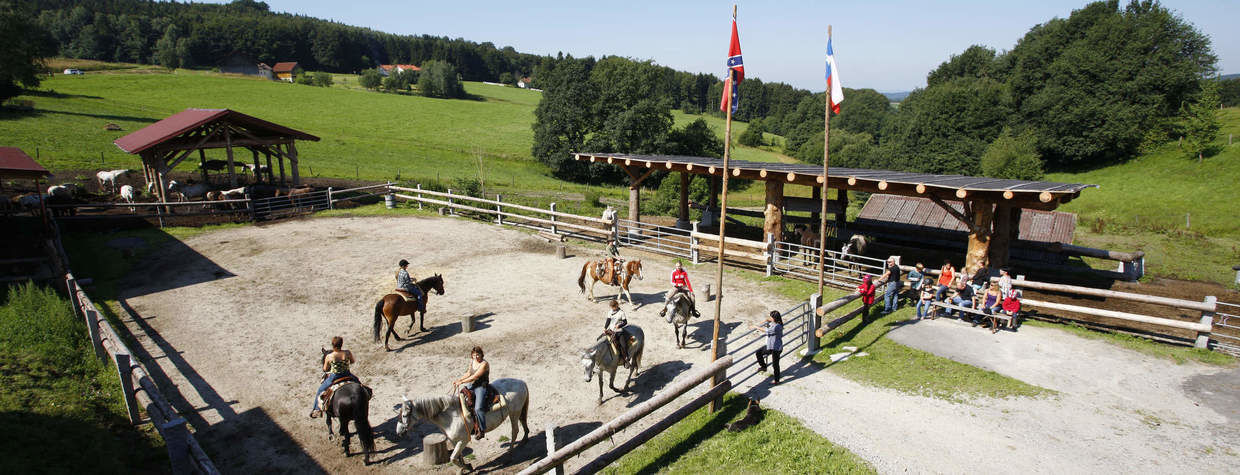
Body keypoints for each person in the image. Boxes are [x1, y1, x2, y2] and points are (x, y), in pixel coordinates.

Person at [311, 336, 356, 418]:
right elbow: (352, 361)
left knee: (320, 389)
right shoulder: (347, 352)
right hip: (347, 374)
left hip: (335, 376)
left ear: (333, 345)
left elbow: (325, 369)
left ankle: (317, 409)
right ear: (341, 344)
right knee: (358, 383)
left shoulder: (329, 356)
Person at [453, 346, 492, 440]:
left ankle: (482, 429)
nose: (476, 357)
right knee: (461, 396)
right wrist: (459, 380)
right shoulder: (472, 362)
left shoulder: (484, 364)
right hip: (472, 385)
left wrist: (461, 382)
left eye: (478, 355)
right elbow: (468, 373)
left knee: (478, 408)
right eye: (474, 355)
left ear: (481, 354)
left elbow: (474, 376)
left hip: (481, 387)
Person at [750, 311, 783, 384]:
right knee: (758, 352)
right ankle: (764, 366)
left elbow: (766, 330)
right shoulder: (774, 323)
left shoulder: (777, 326)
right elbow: (767, 326)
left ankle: (777, 380)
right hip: (770, 346)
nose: (770, 318)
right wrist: (765, 321)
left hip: (776, 348)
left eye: (771, 317)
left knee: (775, 365)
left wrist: (755, 327)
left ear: (774, 318)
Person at [604, 300, 631, 366]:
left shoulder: (621, 313)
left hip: (619, 332)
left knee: (623, 345)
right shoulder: (610, 312)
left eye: (613, 307)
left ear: (617, 305)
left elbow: (625, 322)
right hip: (611, 330)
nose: (612, 308)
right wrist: (605, 328)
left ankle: (626, 359)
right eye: (611, 307)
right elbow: (608, 320)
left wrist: (619, 325)